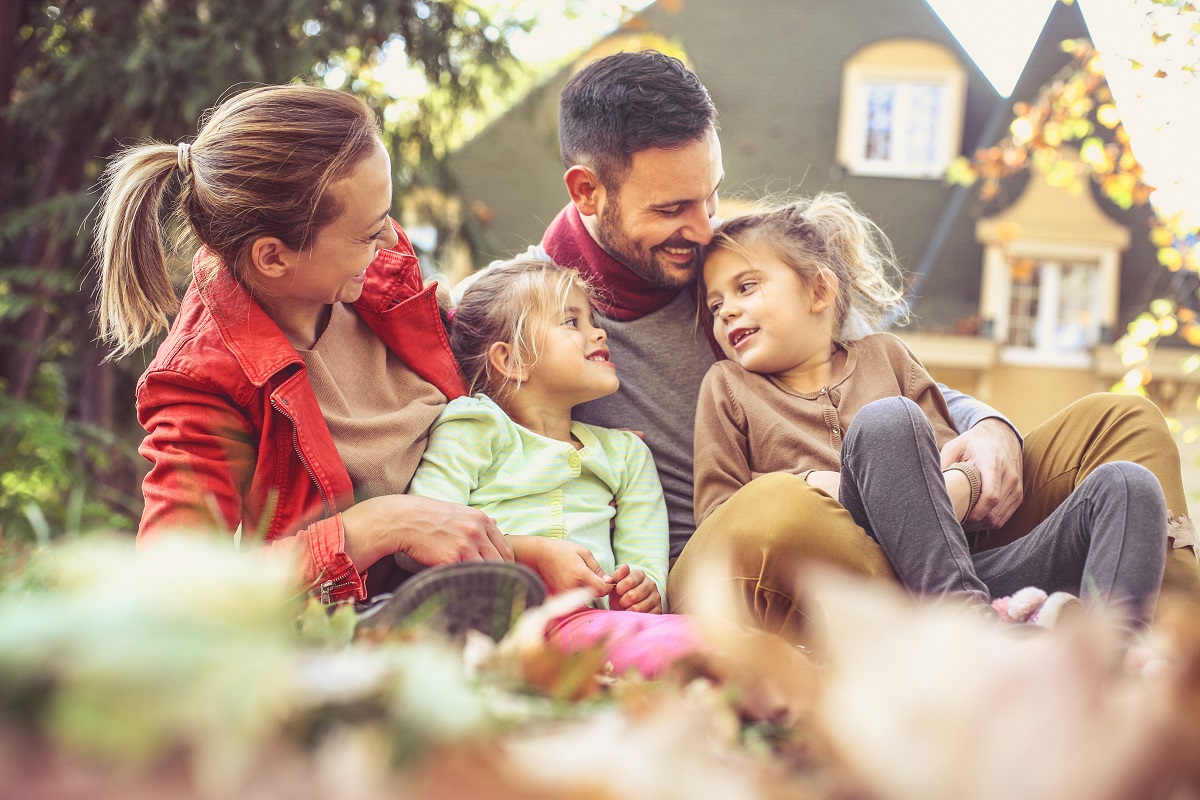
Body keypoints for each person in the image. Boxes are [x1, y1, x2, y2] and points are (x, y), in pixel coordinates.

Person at [478, 49, 1197, 643]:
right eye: (671, 209)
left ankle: (1157, 667)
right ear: (588, 192)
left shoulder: (729, 261)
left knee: (1122, 425)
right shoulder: (526, 317)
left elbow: (877, 375)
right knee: (782, 503)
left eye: (710, 197)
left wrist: (987, 427)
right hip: (739, 556)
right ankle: (962, 640)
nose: (701, 229)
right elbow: (448, 435)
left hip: (917, 523)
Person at [93, 84, 514, 605]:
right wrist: (378, 526)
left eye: (386, 218)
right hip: (387, 620)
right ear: (273, 257)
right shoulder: (202, 381)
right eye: (369, 233)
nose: (391, 241)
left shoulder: (365, 265)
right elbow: (177, 590)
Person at [693, 194, 1167, 634]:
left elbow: (955, 461)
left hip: (959, 571)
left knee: (1128, 484)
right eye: (716, 305)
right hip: (849, 589)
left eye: (746, 287)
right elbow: (720, 517)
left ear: (819, 291)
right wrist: (810, 488)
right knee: (886, 422)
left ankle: (1117, 660)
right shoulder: (728, 387)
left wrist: (933, 492)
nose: (727, 311)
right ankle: (970, 631)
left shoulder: (887, 356)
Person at [409, 259, 703, 675]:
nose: (598, 332)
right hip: (488, 616)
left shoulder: (625, 453)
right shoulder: (476, 426)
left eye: (593, 320)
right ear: (511, 359)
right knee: (701, 647)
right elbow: (424, 531)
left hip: (591, 623)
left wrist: (642, 588)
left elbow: (644, 555)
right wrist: (532, 554)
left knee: (705, 641)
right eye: (571, 321)